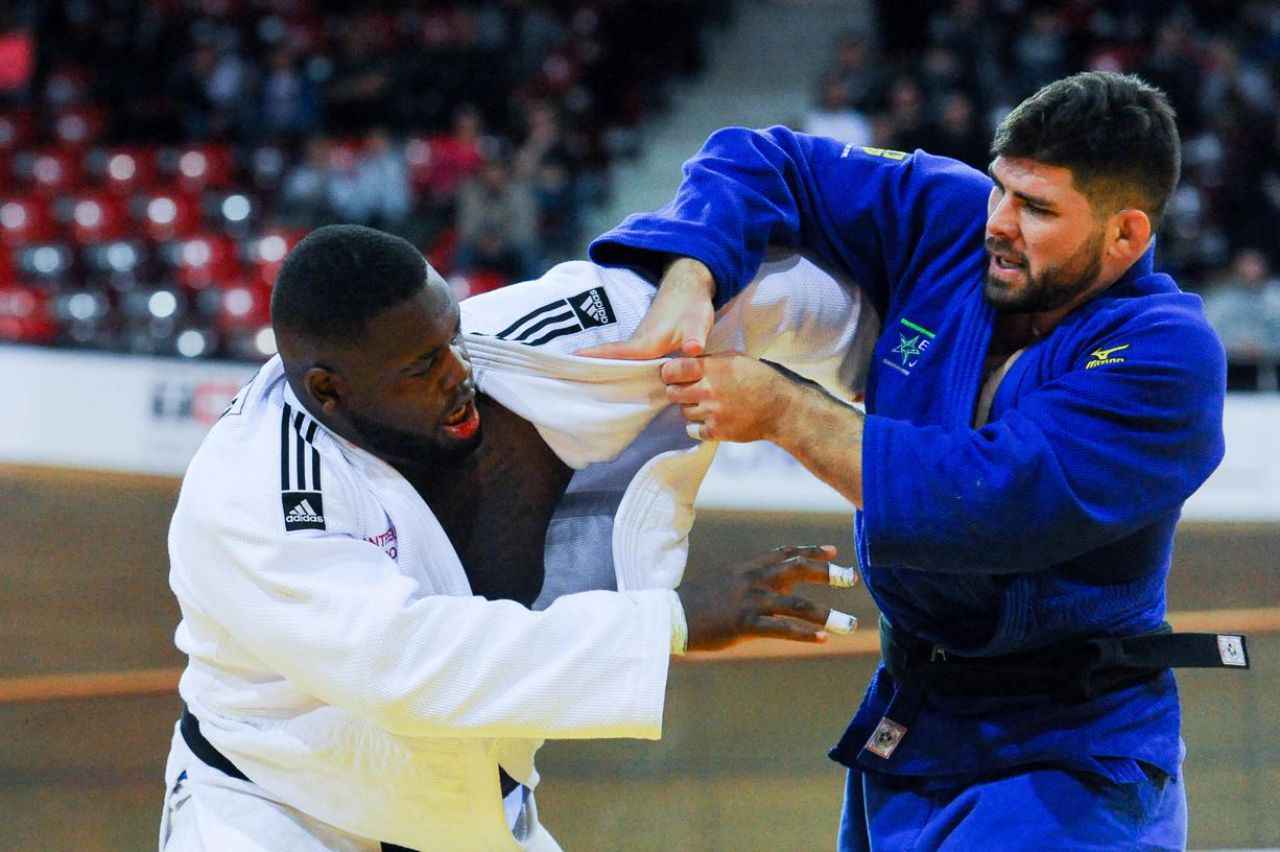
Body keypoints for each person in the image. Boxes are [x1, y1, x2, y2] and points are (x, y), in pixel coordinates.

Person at [584, 72, 1245, 849]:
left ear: (1125, 235)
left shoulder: (1169, 354)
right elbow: (762, 157)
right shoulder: (948, 218)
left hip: (1067, 755)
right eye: (1003, 189)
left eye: (1037, 210)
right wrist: (695, 273)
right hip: (913, 725)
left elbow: (992, 498)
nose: (999, 222)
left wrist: (785, 410)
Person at [158, 224, 871, 851]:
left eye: (452, 339)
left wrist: (898, 370)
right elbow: (406, 662)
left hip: (465, 819)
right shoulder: (250, 497)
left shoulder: (530, 339)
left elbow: (764, 286)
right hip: (276, 809)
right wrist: (677, 620)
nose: (460, 373)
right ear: (328, 390)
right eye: (422, 369)